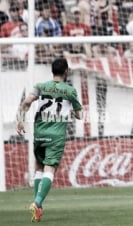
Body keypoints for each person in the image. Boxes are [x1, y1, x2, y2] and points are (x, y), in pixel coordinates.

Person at [16, 58, 82, 222]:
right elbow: (80, 114)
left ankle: (38, 209)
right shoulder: (70, 90)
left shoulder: (40, 86)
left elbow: (26, 102)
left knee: (39, 167)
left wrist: (19, 120)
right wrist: (71, 112)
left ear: (52, 71)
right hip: (56, 137)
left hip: (39, 134)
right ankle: (37, 203)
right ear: (66, 71)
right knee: (49, 169)